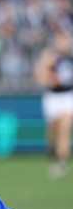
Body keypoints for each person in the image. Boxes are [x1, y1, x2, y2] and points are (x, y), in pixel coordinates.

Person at [34, 30, 73, 179]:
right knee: (53, 132)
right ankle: (52, 154)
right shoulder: (50, 56)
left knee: (65, 128)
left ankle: (61, 161)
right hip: (52, 97)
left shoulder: (70, 57)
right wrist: (51, 78)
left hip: (67, 96)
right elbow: (39, 74)